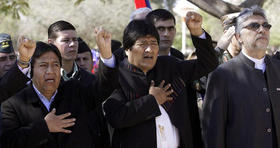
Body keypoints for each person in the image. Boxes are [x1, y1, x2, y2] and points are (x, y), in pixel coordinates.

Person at [102, 11, 218, 148]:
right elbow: (116, 117)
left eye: (153, 43)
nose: (149, 49)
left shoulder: (170, 66)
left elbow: (208, 64)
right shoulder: (117, 75)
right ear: (127, 49)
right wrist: (152, 101)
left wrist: (197, 32)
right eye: (143, 44)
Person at [1, 41, 111, 148]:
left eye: (55, 65)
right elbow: (7, 142)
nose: (50, 71)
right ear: (31, 70)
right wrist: (44, 127)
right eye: (43, 65)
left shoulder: (75, 91)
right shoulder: (14, 102)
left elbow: (103, 89)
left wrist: (106, 56)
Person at [202, 6, 280, 148]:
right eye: (254, 26)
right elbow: (214, 132)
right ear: (239, 37)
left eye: (265, 25)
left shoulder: (278, 68)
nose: (261, 30)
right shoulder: (222, 74)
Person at [146, 9, 204, 147]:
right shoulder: (135, 62)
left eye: (170, 28)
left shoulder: (178, 58)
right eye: (161, 29)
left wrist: (198, 33)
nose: (166, 34)